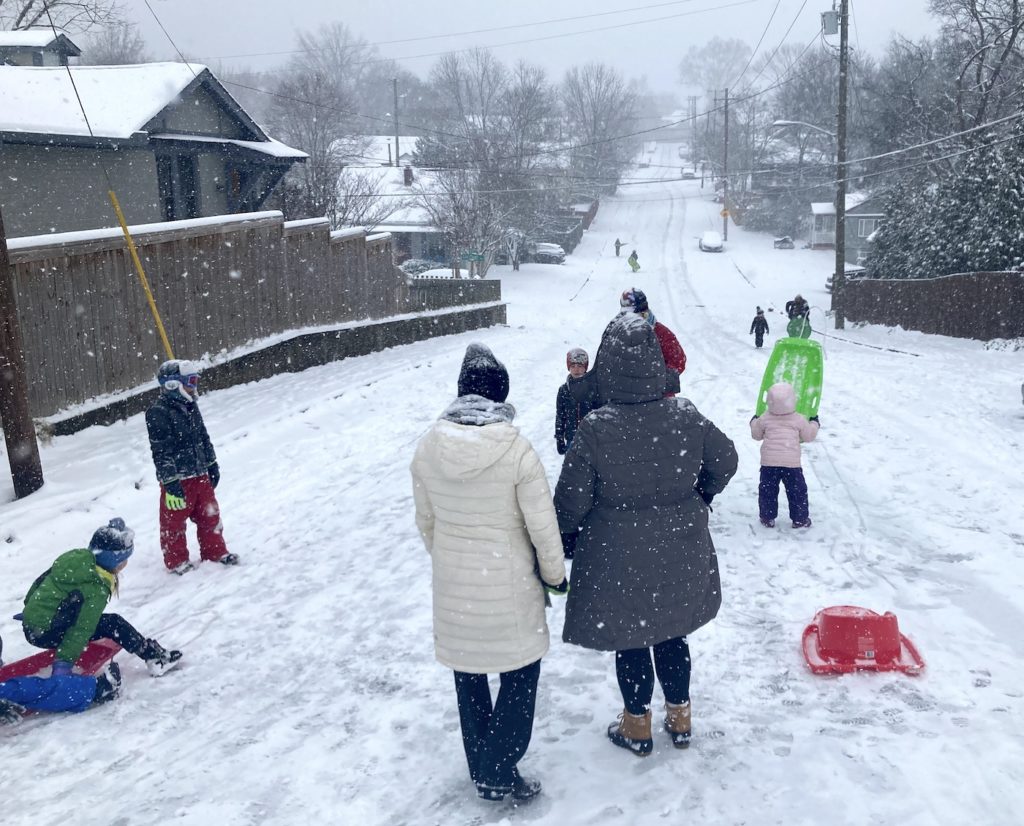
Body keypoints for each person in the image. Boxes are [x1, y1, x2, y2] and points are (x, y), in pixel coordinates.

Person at [554, 313, 738, 756]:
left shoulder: (597, 428)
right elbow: (726, 459)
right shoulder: (685, 416)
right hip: (679, 546)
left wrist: (564, 535)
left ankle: (637, 724)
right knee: (673, 632)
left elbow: (569, 504)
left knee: (633, 636)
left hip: (618, 556)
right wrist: (700, 494)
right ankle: (680, 715)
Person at [411, 343, 567, 803]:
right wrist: (554, 576)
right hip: (510, 587)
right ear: (500, 395)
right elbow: (543, 526)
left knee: (469, 677)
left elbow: (426, 521)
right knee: (520, 674)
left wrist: (448, 561)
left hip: (455, 588)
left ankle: (484, 764)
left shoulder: (428, 447)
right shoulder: (516, 449)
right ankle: (498, 768)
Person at [18, 519, 183, 680]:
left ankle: (46, 622)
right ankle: (154, 657)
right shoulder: (96, 586)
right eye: (124, 559)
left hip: (33, 624)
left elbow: (40, 583)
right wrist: (64, 663)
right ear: (114, 560)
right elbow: (82, 628)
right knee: (113, 623)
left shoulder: (75, 559)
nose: (125, 563)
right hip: (44, 633)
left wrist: (32, 610)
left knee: (87, 615)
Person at [146, 359, 239, 575]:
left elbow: (203, 437)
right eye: (190, 381)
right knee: (174, 524)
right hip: (178, 480)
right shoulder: (158, 412)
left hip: (200, 474)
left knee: (210, 515)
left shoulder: (190, 405)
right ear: (172, 385)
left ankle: (215, 551)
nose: (194, 386)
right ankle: (177, 561)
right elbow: (160, 451)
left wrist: (211, 462)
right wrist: (170, 482)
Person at [750, 382, 820, 528]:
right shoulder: (798, 419)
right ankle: (800, 518)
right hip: (791, 465)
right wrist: (814, 424)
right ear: (793, 400)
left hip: (769, 464)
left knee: (768, 490)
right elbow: (808, 437)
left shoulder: (765, 418)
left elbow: (756, 435)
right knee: (797, 491)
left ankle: (767, 517)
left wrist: (754, 422)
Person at [619, 288, 686, 396]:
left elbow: (678, 361)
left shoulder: (661, 333)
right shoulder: (620, 332)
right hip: (627, 396)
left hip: (658, 397)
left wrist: (655, 381)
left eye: (641, 313)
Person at [555, 347, 599, 456]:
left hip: (591, 439)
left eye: (580, 366)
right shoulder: (564, 390)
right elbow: (560, 415)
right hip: (572, 439)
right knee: (572, 470)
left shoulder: (593, 388)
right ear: (569, 368)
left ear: (585, 368)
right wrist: (559, 437)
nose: (576, 369)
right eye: (573, 366)